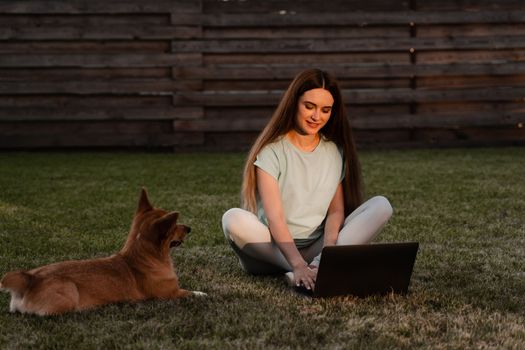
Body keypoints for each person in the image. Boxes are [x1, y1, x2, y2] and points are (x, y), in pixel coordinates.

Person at [222, 68, 393, 291]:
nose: (316, 117)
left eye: (325, 110)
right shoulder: (271, 152)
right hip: (269, 251)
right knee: (232, 218)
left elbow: (335, 212)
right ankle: (297, 270)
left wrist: (327, 253)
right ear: (294, 103)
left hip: (316, 250)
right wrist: (297, 264)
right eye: (309, 106)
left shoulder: (334, 151)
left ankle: (321, 266)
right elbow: (275, 218)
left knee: (382, 205)